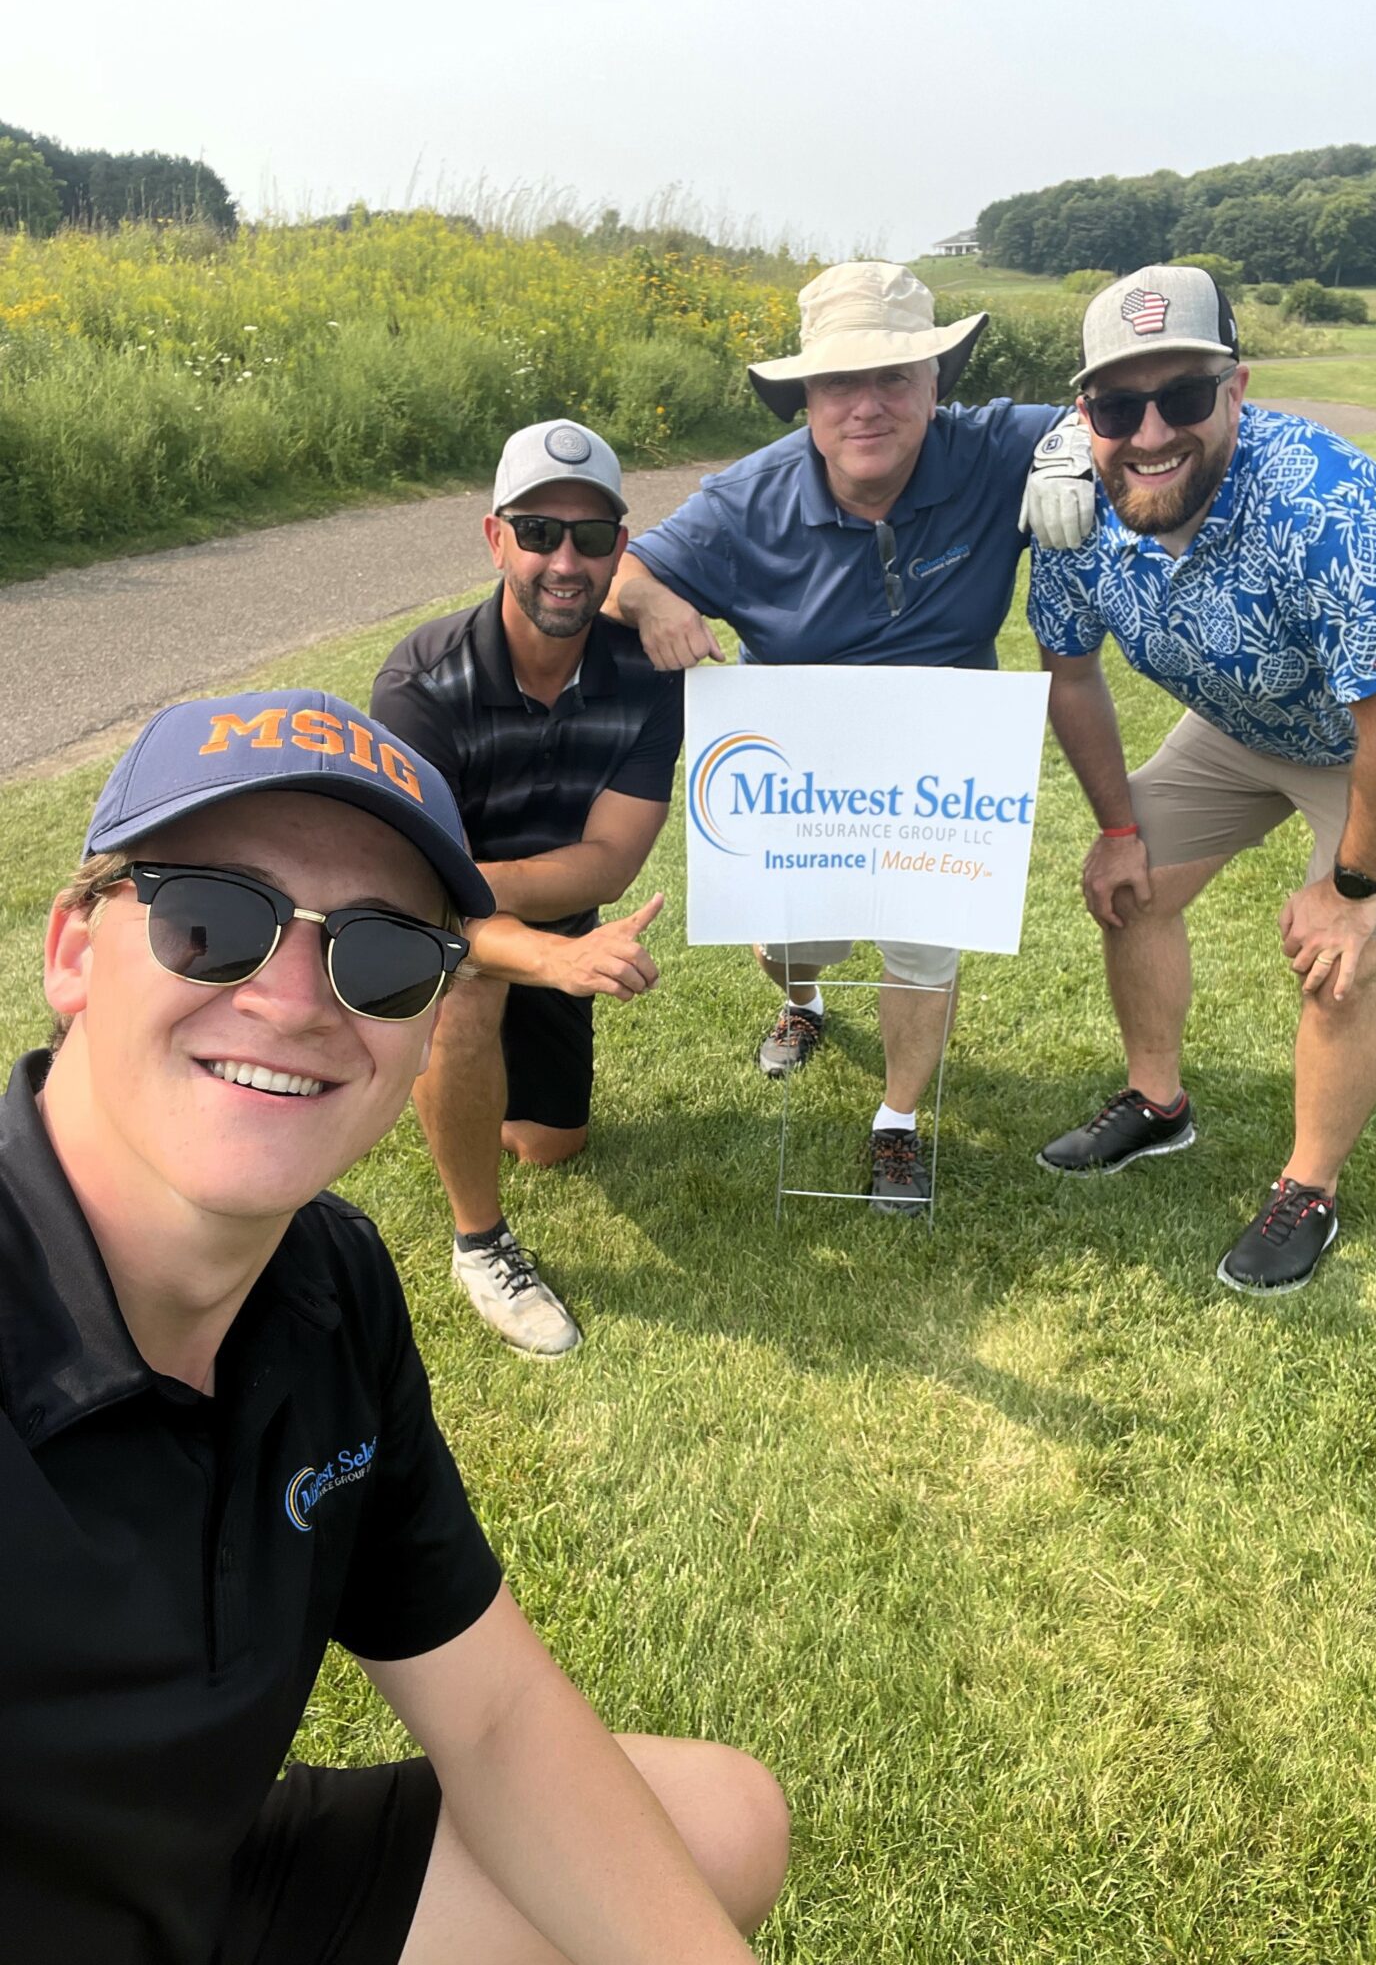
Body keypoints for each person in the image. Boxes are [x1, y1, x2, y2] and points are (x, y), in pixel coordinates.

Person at [0, 688, 787, 1964]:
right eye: (214, 918)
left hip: (200, 1873)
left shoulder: (330, 1283)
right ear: (76, 953)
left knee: (721, 1821)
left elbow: (490, 1716)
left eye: (380, 951)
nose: (299, 999)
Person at [1027, 264, 1376, 1290]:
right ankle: (1158, 1105)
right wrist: (1116, 827)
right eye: (1118, 403)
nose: (1150, 432)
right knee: (1129, 881)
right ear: (1085, 414)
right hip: (1252, 714)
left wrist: (1350, 890)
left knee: (1343, 961)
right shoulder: (1068, 497)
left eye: (1184, 395)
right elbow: (1069, 670)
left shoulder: (1324, 500)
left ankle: (1309, 1188)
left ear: (1236, 388)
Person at [606, 260, 1095, 1216]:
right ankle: (804, 1000)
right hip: (800, 776)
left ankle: (898, 1125)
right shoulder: (747, 499)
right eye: (839, 383)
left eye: (894, 378)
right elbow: (624, 572)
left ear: (934, 387)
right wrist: (655, 599)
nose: (866, 406)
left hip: (939, 767)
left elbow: (1106, 409)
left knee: (922, 950)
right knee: (790, 942)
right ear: (806, 398)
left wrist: (1074, 453)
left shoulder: (999, 448)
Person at [371, 421, 682, 1356]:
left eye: (591, 538)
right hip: (458, 941)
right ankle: (480, 1245)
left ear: (619, 551)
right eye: (539, 530)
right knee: (468, 992)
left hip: (538, 923)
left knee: (553, 1145)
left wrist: (477, 897)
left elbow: (610, 861)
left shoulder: (647, 681)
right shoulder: (421, 681)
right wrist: (536, 949)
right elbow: (423, 900)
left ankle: (443, 1081)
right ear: (495, 537)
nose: (564, 559)